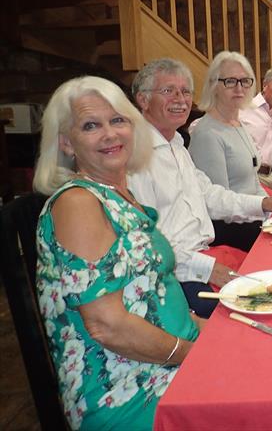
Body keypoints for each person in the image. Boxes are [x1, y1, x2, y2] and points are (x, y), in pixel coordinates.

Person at [33, 76, 201, 430]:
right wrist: (197, 356)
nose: (109, 134)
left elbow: (157, 292)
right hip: (129, 386)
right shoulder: (77, 203)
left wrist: (217, 335)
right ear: (66, 142)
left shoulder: (117, 194)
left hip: (172, 355)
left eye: (118, 120)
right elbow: (107, 327)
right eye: (91, 125)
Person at [127, 59, 272, 318]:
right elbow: (151, 246)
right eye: (168, 91)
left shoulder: (177, 146)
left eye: (185, 92)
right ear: (143, 99)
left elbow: (210, 194)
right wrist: (208, 268)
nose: (181, 99)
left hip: (204, 257)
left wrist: (263, 204)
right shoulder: (136, 159)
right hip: (176, 277)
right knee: (263, 310)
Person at [189, 51, 265, 196]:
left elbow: (253, 180)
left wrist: (271, 207)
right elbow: (220, 202)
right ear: (214, 85)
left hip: (254, 212)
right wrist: (263, 206)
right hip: (234, 217)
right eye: (230, 81)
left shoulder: (237, 123)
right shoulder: (207, 134)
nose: (239, 89)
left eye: (244, 81)